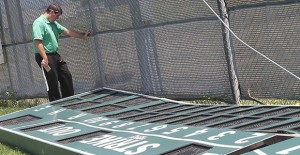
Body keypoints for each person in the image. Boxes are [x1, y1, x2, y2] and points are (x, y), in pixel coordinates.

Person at [32, 3, 90, 101]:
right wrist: (45, 58)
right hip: (44, 56)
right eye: (57, 15)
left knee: (66, 75)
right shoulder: (39, 23)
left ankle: (69, 101)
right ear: (51, 12)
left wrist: (82, 36)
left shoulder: (53, 23)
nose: (57, 18)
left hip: (55, 55)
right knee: (52, 80)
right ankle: (56, 105)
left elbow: (67, 31)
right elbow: (38, 42)